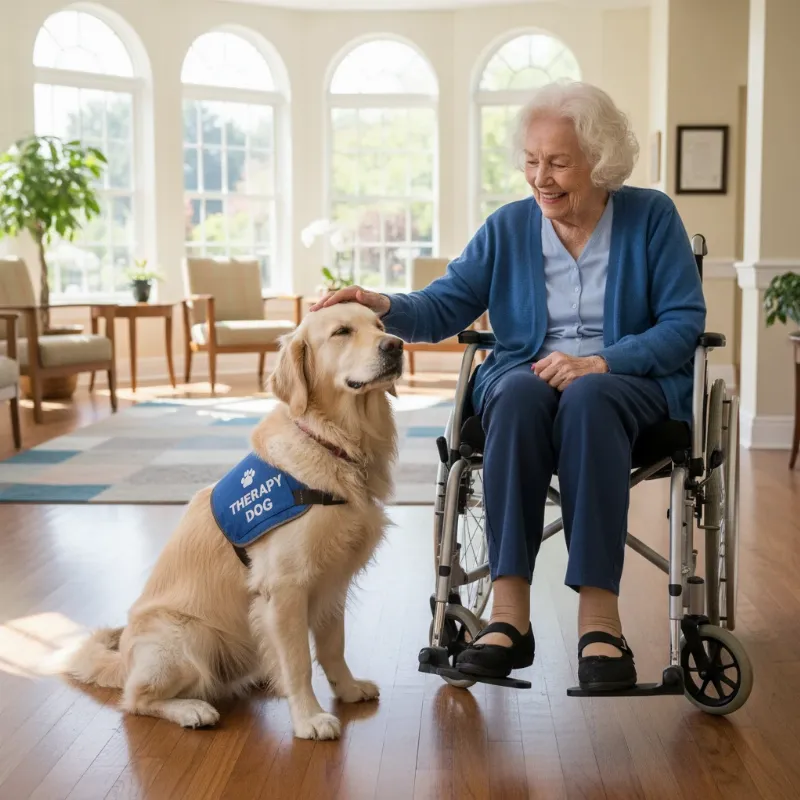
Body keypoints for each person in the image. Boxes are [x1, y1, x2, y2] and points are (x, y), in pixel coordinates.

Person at [309, 80, 706, 691]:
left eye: (559, 163)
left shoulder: (651, 218)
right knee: (517, 392)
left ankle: (600, 619)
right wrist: (380, 301)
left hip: (624, 383)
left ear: (600, 162)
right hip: (528, 380)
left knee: (588, 396)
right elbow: (446, 304)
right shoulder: (508, 227)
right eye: (531, 161)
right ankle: (508, 614)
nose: (540, 177)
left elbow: (685, 323)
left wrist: (600, 362)